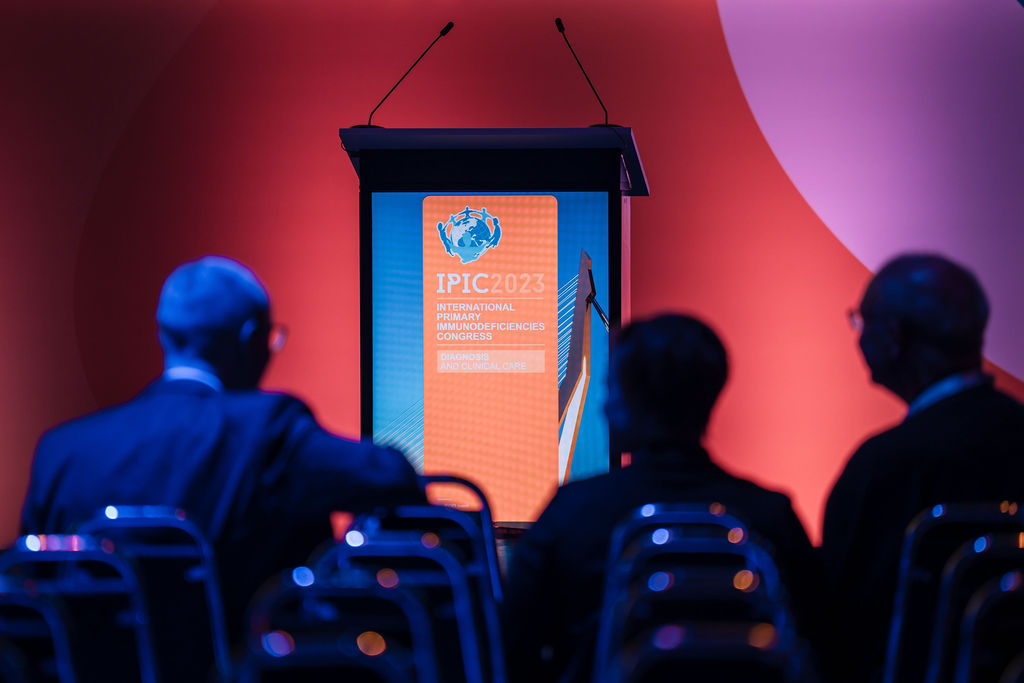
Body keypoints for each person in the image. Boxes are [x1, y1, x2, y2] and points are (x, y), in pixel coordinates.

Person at [20, 255, 424, 640]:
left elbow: (32, 591)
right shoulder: (266, 429)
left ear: (165, 335)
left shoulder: (62, 452)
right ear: (252, 340)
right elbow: (390, 476)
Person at [502, 313, 821, 683]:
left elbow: (512, 648)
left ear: (629, 402)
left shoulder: (573, 512)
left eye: (610, 390)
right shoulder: (770, 517)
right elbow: (820, 646)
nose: (604, 407)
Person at [821, 253, 1024, 682]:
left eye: (861, 322)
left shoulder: (886, 465)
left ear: (893, 337)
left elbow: (838, 617)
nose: (858, 337)